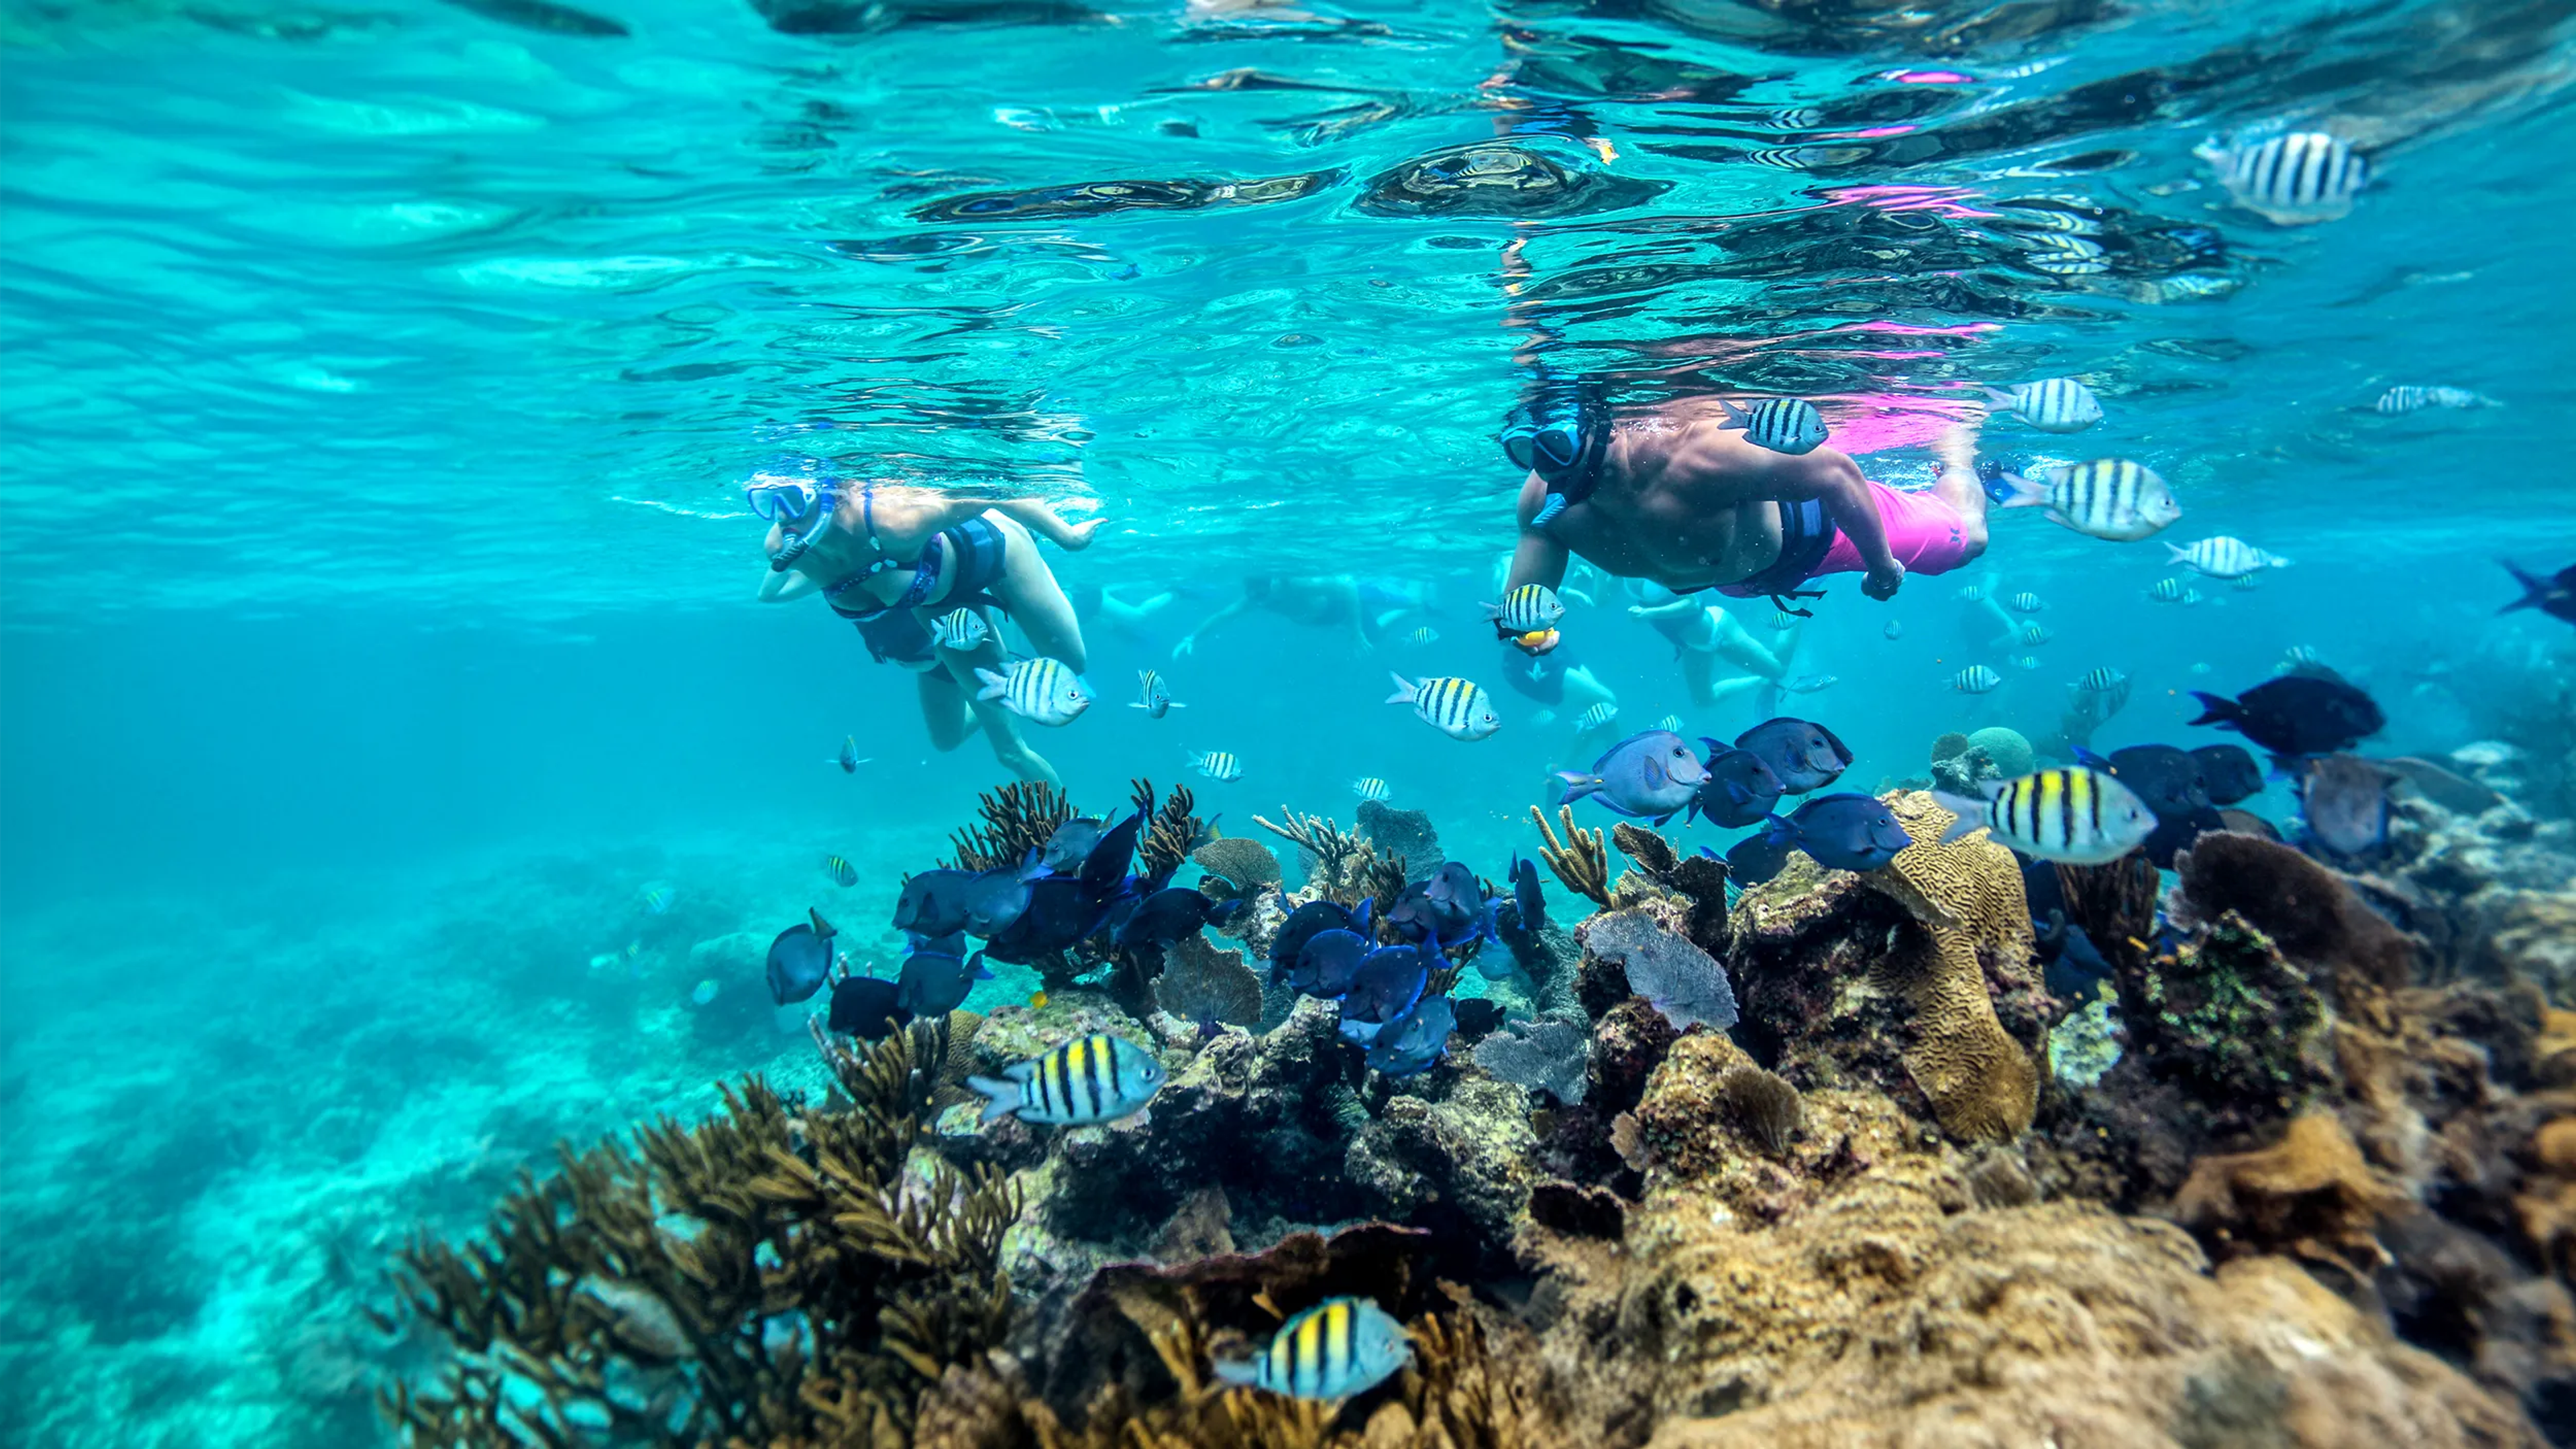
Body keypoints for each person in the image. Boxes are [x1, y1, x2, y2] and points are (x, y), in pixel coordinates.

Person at [1501, 394, 1988, 618]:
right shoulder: (1545, 504)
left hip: (1822, 534)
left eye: (1556, 446)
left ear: (1600, 428)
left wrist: (1883, 570)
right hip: (1738, 580)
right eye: (1526, 451)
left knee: (1969, 543)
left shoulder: (1696, 456)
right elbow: (1523, 604)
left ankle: (1957, 457)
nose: (1546, 467)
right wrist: (1525, 632)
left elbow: (1838, 474)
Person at [747, 475, 1099, 786]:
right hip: (943, 609)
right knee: (999, 699)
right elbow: (770, 593)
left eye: (793, 500)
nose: (782, 516)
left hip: (992, 547)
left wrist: (1069, 538)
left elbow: (996, 488)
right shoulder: (787, 550)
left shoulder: (894, 521)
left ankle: (1026, 606)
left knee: (1071, 664)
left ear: (826, 497)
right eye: (766, 502)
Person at [1170, 574, 1433, 659]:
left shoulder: (1293, 585)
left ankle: (1419, 577)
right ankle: (1407, 604)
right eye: (1255, 597)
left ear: (1273, 583)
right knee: (1377, 637)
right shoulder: (1256, 599)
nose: (1262, 601)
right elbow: (1224, 616)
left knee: (1413, 603)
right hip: (1325, 618)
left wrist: (1356, 630)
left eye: (1263, 594)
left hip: (1349, 602)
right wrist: (1193, 636)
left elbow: (1346, 587)